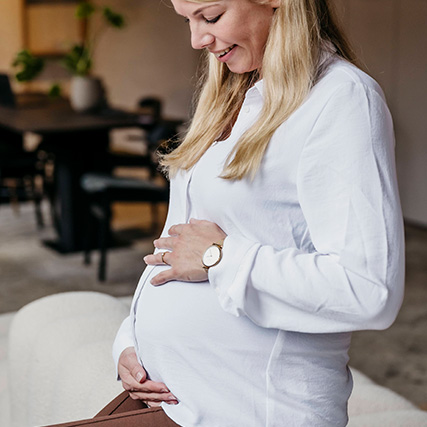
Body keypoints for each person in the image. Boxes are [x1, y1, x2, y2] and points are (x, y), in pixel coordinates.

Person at [112, 0, 405, 425]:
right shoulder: (229, 97)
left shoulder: (341, 98)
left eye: (210, 17)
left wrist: (220, 258)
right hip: (175, 401)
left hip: (255, 410)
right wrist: (129, 339)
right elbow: (178, 245)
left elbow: (369, 290)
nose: (197, 39)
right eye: (188, 21)